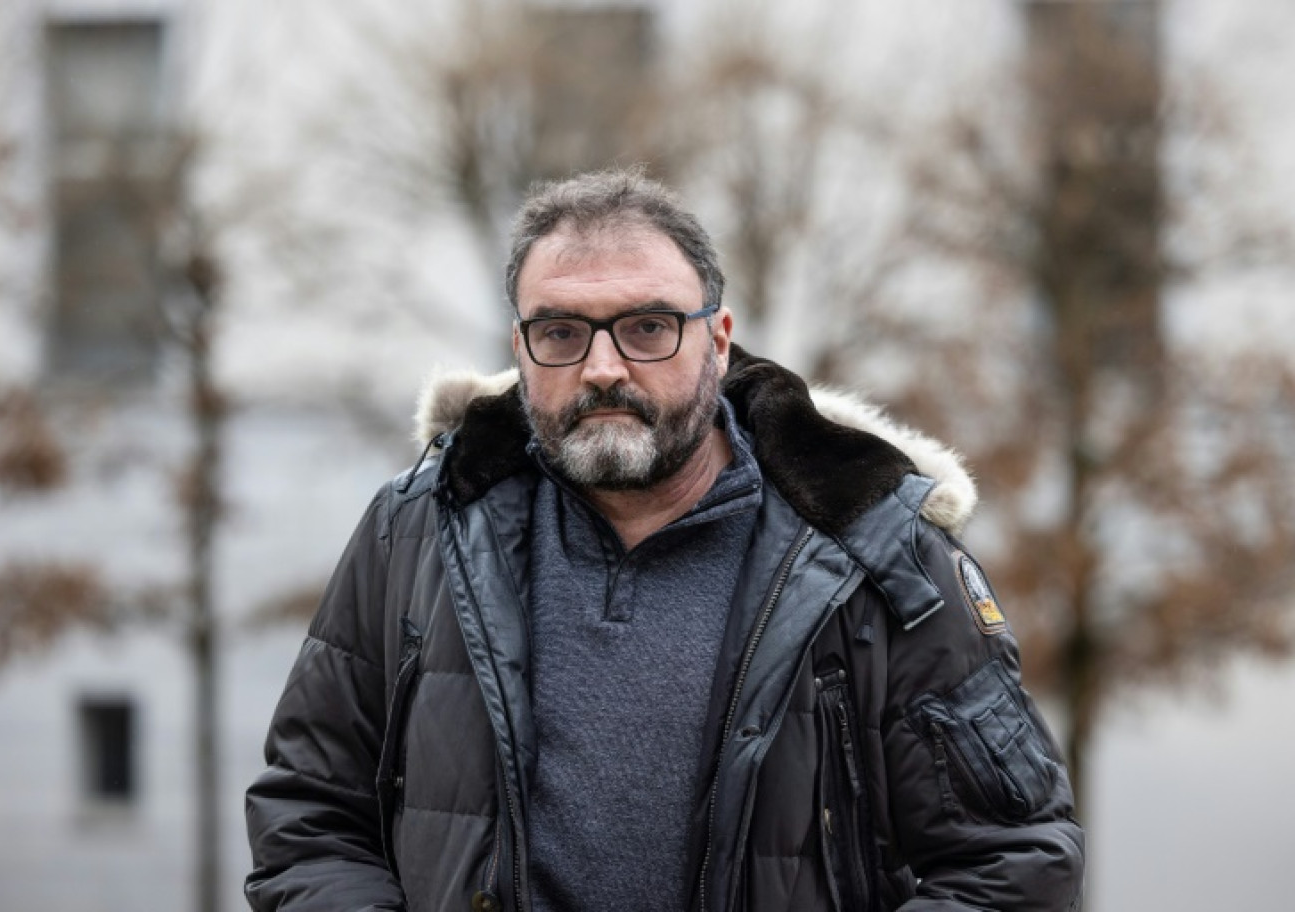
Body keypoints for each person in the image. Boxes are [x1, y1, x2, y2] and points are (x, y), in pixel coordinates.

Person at [245, 168, 1085, 912]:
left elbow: (1015, 863)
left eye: (647, 328)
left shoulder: (874, 550)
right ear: (521, 348)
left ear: (716, 342)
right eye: (562, 332)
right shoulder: (419, 529)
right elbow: (307, 814)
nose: (603, 367)